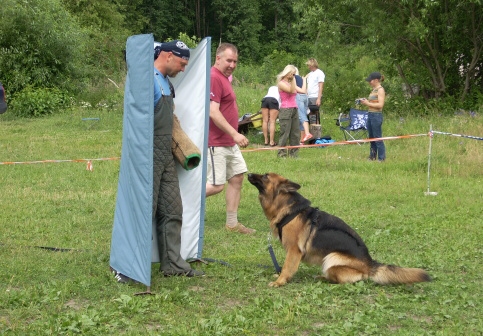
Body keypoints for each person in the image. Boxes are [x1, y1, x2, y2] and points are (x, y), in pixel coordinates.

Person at [113, 40, 205, 283]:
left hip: (164, 156)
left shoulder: (165, 82)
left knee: (172, 209)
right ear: (167, 56)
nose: (183, 69)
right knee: (142, 210)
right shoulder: (146, 81)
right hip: (146, 155)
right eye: (182, 64)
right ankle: (127, 267)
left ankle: (173, 263)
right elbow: (136, 123)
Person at [205, 43, 255, 235]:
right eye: (228, 60)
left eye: (235, 61)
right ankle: (177, 203)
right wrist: (235, 133)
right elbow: (212, 112)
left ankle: (232, 224)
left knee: (236, 177)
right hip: (216, 142)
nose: (232, 65)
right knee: (216, 186)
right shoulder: (214, 77)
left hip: (229, 142)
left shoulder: (224, 78)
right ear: (218, 58)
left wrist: (233, 136)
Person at [358, 72, 386, 161]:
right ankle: (372, 156)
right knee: (371, 137)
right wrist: (365, 101)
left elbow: (380, 105)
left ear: (376, 80)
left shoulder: (380, 90)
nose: (369, 82)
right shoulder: (373, 90)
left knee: (377, 137)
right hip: (370, 114)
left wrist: (367, 103)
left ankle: (381, 158)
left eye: (371, 80)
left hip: (376, 115)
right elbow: (372, 103)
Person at [277, 65, 301, 158]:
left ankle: (294, 154)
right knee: (285, 133)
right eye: (292, 73)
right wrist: (294, 80)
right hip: (286, 109)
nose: (293, 75)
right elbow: (291, 91)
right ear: (287, 72)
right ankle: (281, 154)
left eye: (294, 73)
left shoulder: (291, 83)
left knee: (295, 133)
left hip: (294, 108)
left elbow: (302, 90)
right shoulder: (281, 83)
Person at [294, 67, 312, 144]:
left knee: (301, 116)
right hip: (305, 97)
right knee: (302, 116)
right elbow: (306, 89)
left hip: (299, 96)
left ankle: (307, 133)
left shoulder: (293, 78)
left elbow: (295, 88)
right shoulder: (301, 78)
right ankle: (302, 140)